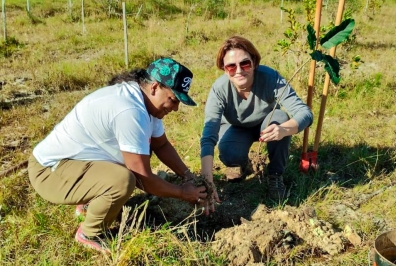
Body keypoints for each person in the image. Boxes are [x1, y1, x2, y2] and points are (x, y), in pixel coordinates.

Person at [28, 57, 207, 253]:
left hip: (74, 163)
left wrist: (187, 175)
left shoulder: (146, 103)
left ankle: (88, 204)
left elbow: (161, 145)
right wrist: (183, 193)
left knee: (137, 154)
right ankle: (88, 233)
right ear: (155, 87)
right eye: (173, 99)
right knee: (124, 180)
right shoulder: (130, 110)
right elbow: (143, 178)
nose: (175, 108)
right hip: (48, 172)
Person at [200, 36, 313, 210]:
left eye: (245, 63)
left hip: (267, 124)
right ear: (224, 69)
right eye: (231, 66)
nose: (239, 71)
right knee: (230, 154)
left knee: (281, 119)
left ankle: (275, 174)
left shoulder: (270, 78)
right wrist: (207, 180)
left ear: (254, 62)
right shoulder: (219, 89)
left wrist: (284, 129)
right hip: (236, 127)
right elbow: (209, 134)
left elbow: (305, 113)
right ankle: (240, 163)